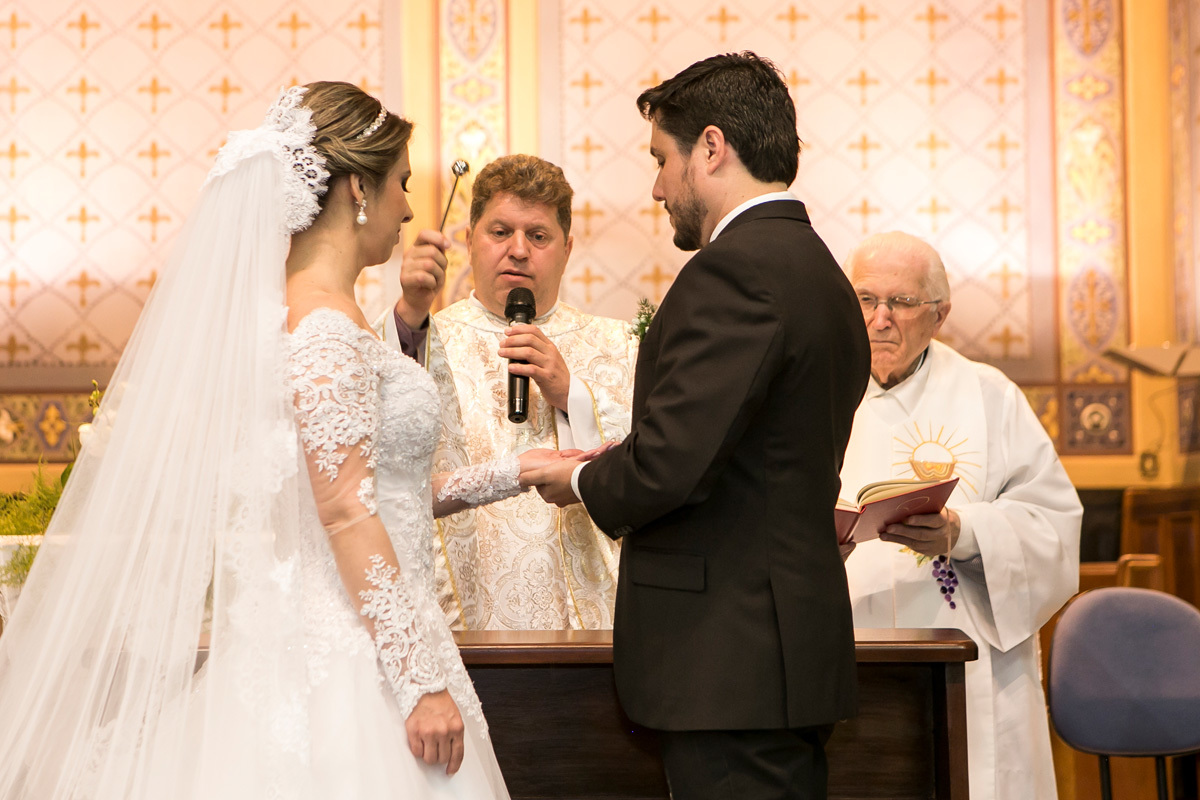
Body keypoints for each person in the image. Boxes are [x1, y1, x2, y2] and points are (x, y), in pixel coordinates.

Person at [0, 82, 554, 798]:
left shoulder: (306, 319)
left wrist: (513, 471)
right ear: (358, 186)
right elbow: (345, 513)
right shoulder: (323, 329)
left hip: (351, 636)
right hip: (349, 666)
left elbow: (375, 494)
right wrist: (419, 682)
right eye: (401, 183)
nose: (410, 208)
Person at [525, 52, 871, 800]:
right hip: (778, 654)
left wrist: (578, 476)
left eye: (661, 159)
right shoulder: (823, 274)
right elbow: (744, 448)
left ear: (711, 148)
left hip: (730, 662)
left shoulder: (734, 272)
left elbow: (671, 465)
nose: (656, 187)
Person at [840, 231, 1081, 800]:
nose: (879, 320)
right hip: (847, 648)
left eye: (899, 303)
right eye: (864, 299)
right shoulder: (813, 390)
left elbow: (1053, 527)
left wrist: (963, 531)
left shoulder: (988, 395)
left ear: (939, 313)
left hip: (968, 665)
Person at [379, 155, 636, 630]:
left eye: (538, 236)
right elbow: (374, 444)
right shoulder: (423, 333)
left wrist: (572, 394)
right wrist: (410, 310)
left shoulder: (618, 345)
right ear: (471, 238)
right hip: (464, 616)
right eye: (500, 232)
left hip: (589, 623)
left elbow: (652, 466)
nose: (518, 250)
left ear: (567, 248)